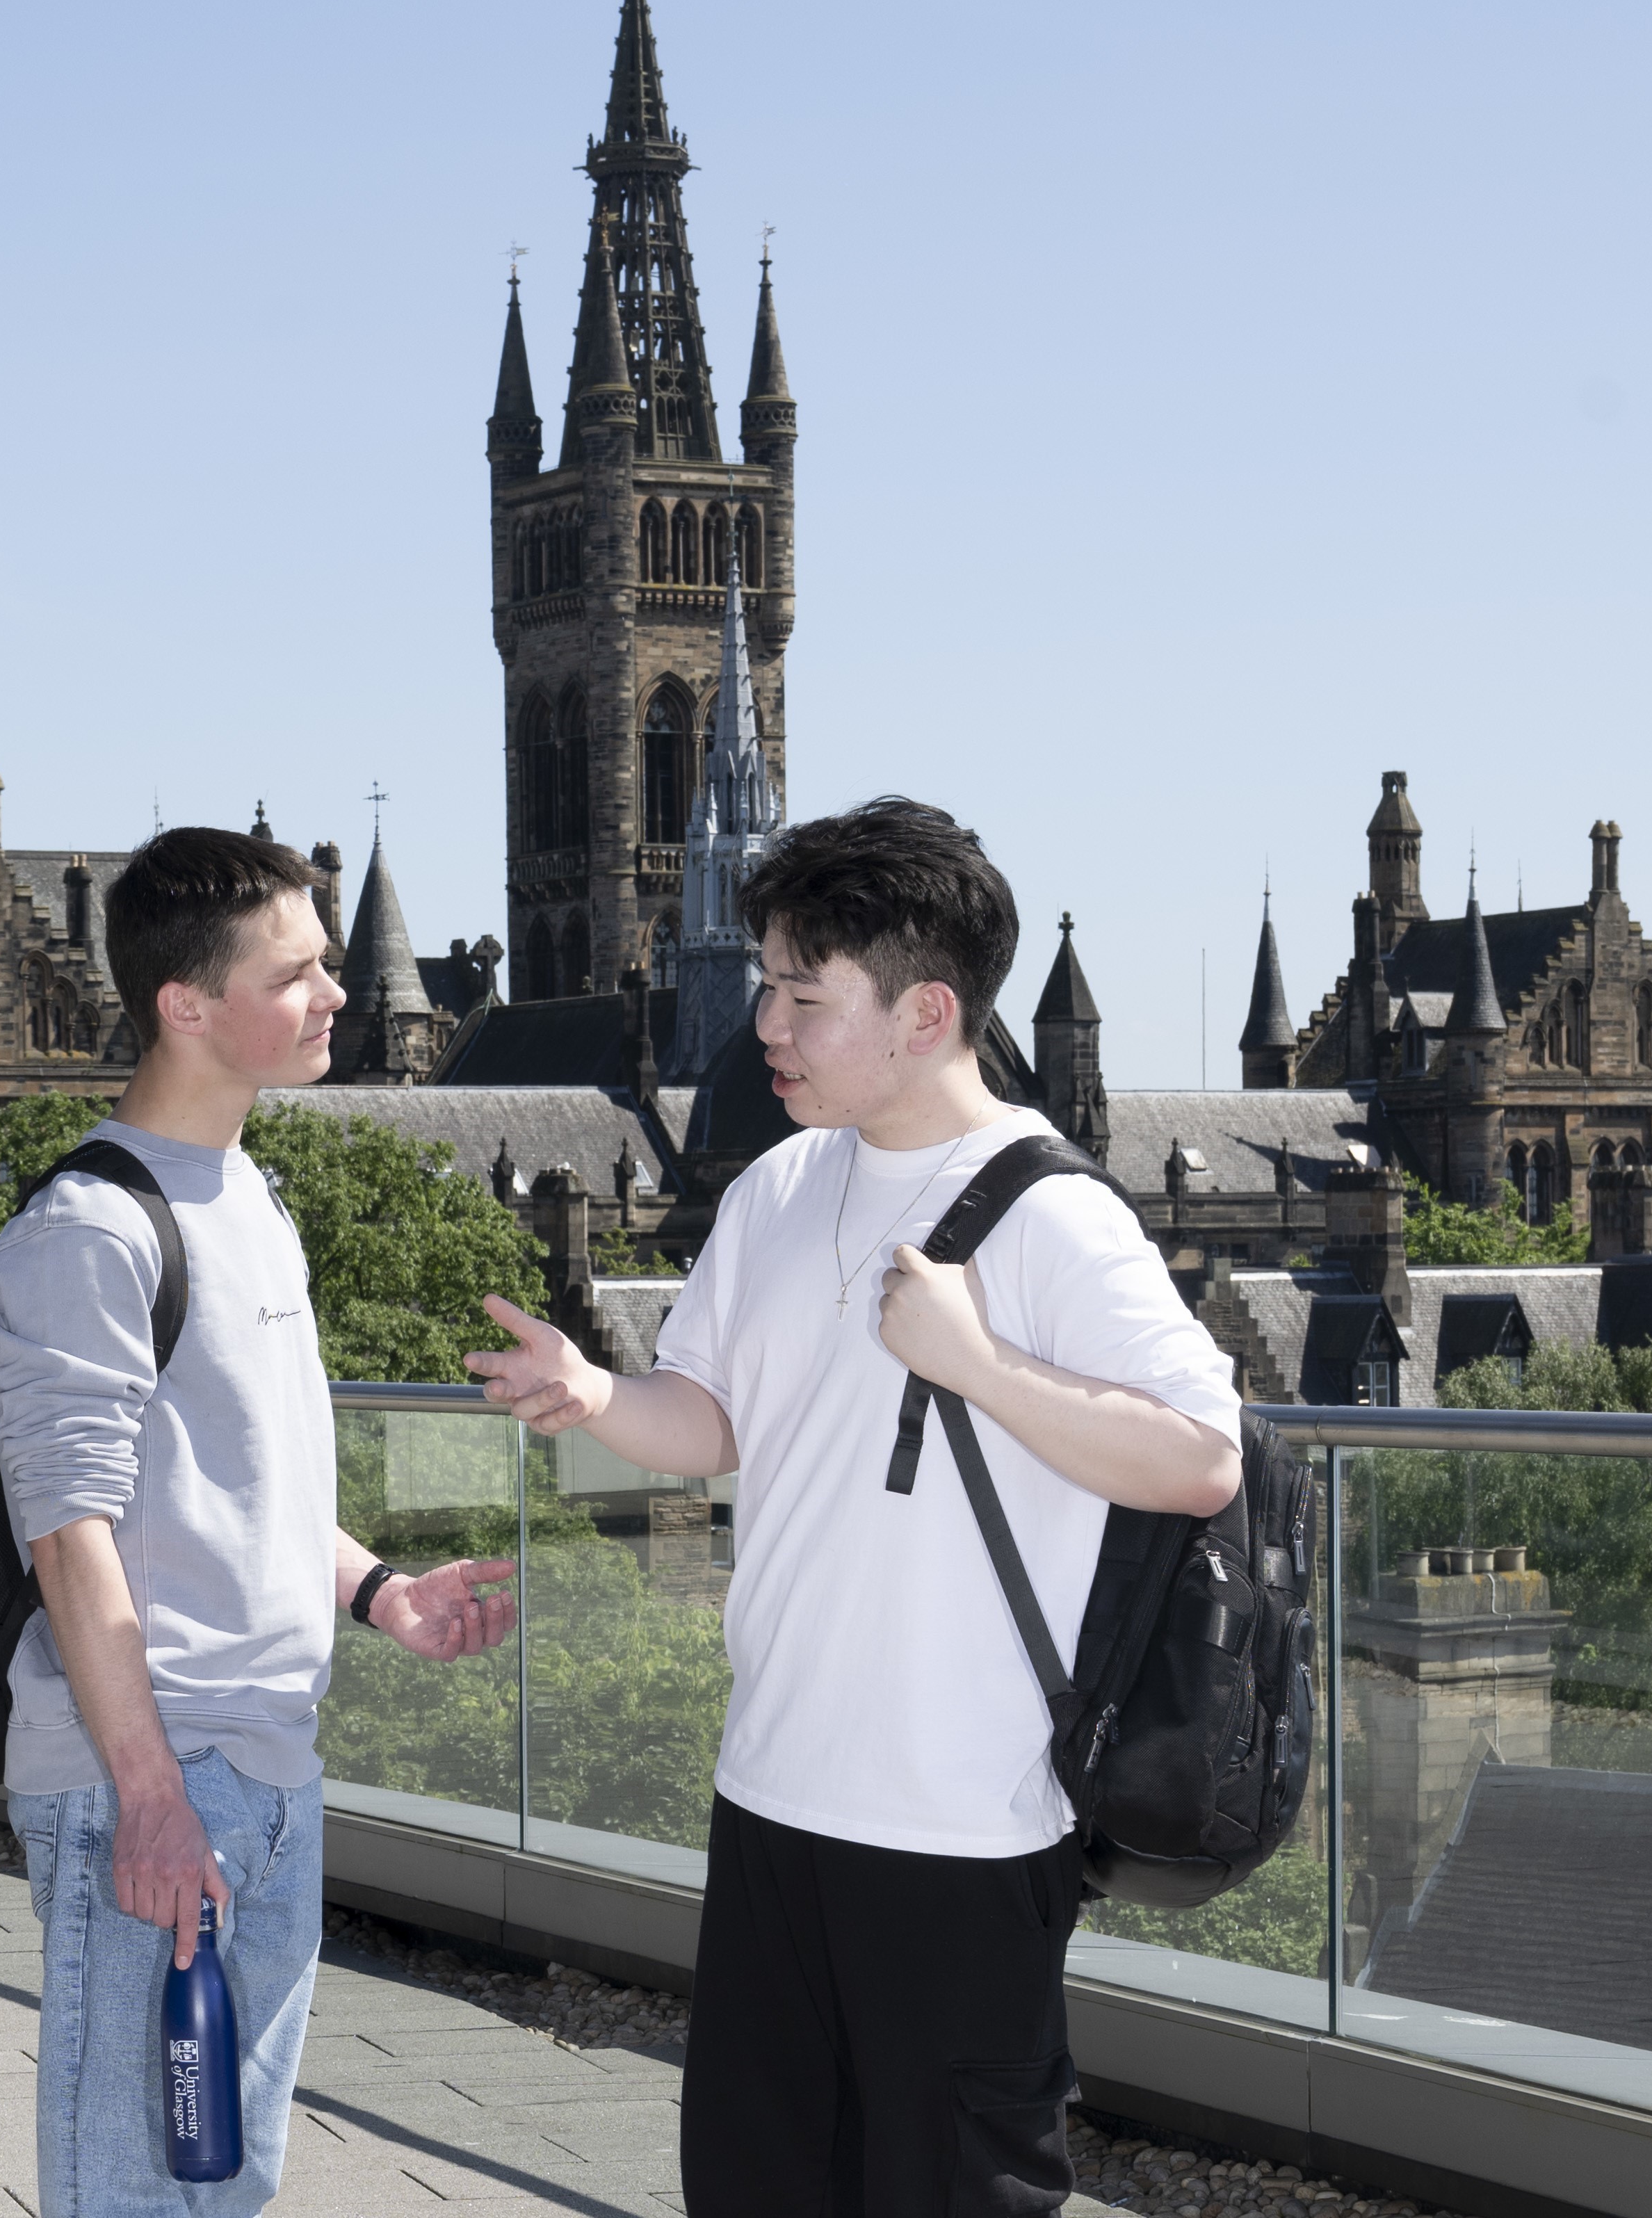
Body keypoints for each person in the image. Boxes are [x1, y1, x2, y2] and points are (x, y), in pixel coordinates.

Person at [468, 798, 1242, 2217]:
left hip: (964, 1832)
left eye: (800, 993)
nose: (764, 1018)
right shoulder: (770, 1189)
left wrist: (977, 1362)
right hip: (769, 1798)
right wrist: (589, 1394)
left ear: (925, 1011)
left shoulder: (1055, 1212)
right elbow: (708, 1418)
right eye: (768, 982)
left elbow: (1202, 1455)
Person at [0, 827, 517, 2217]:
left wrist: (381, 1591)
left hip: (266, 1770)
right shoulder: (92, 1232)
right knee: (139, 2189)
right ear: (187, 1003)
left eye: (331, 962)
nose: (338, 992)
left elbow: (246, 1489)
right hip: (156, 1784)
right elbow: (68, 1537)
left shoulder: (255, 1200)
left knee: (223, 2182)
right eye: (297, 972)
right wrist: (150, 1797)